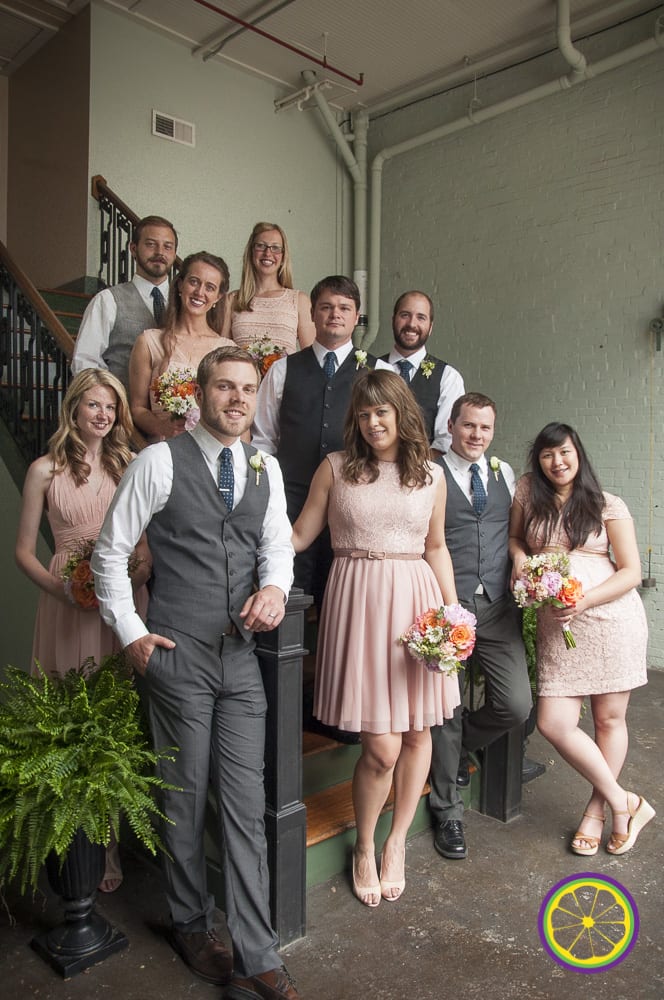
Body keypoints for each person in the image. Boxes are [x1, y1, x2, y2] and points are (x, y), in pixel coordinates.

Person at [92, 346, 300, 1000]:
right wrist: (131, 636)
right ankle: (188, 922)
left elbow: (279, 549)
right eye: (224, 387)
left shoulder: (265, 468)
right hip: (176, 655)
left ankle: (257, 952)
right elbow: (110, 553)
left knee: (243, 805)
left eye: (246, 388)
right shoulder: (159, 462)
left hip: (241, 659)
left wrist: (273, 589)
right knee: (183, 799)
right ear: (201, 394)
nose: (237, 398)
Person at [292, 369, 460, 907]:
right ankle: (363, 845)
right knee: (382, 747)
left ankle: (395, 844)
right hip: (358, 600)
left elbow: (435, 546)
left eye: (381, 412)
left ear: (402, 412)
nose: (371, 423)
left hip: (416, 600)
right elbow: (297, 536)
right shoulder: (336, 468)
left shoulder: (430, 475)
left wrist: (453, 613)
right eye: (362, 415)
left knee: (417, 732)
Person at [15, 368, 151, 893]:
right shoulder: (43, 471)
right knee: (72, 714)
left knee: (114, 714)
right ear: (74, 409)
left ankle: (111, 845)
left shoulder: (130, 465)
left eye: (111, 407)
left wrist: (135, 574)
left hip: (121, 598)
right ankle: (77, 840)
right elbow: (24, 551)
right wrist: (65, 592)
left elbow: (144, 548)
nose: (103, 415)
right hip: (67, 599)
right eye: (93, 405)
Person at [509, 422, 654, 856]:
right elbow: (516, 539)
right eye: (549, 454)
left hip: (610, 619)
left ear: (579, 455)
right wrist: (521, 560)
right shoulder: (526, 494)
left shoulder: (607, 503)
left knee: (609, 720)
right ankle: (624, 801)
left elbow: (630, 571)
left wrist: (586, 600)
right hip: (560, 625)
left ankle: (599, 811)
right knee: (555, 723)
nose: (558, 462)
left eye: (566, 452)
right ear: (538, 460)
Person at [429, 393, 532, 861]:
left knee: (516, 704)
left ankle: (455, 751)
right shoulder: (430, 472)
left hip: (495, 607)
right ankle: (448, 810)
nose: (476, 436)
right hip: (446, 606)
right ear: (451, 425)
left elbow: (513, 532)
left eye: (485, 429)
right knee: (444, 710)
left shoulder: (503, 474)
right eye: (468, 426)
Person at [253, 274, 375, 609]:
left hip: (354, 505)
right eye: (326, 307)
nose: (335, 314)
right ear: (312, 314)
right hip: (292, 501)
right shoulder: (282, 370)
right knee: (289, 593)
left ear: (356, 316)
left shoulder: (379, 373)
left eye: (344, 308)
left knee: (344, 600)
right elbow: (263, 439)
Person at [128, 251, 234, 442]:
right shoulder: (149, 342)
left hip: (211, 451)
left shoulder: (226, 350)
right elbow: (137, 409)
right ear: (180, 284)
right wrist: (162, 426)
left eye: (210, 287)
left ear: (218, 297)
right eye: (194, 282)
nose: (199, 292)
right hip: (165, 451)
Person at [71, 215, 178, 388]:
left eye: (168, 247)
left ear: (174, 254)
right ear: (133, 249)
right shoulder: (107, 300)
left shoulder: (184, 303)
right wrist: (108, 402)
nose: (160, 252)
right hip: (122, 409)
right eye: (151, 244)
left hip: (175, 412)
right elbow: (85, 362)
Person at [376, 290, 464, 456]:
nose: (411, 324)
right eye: (405, 315)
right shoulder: (372, 368)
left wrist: (414, 472)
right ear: (393, 320)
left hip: (425, 474)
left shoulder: (448, 377)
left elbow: (446, 439)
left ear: (430, 327)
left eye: (421, 317)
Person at [222, 222, 315, 354]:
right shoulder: (232, 300)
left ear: (283, 256)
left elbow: (311, 357)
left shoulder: (299, 300)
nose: (268, 253)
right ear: (251, 252)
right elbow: (223, 353)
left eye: (275, 248)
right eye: (261, 246)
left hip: (286, 375)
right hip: (241, 374)